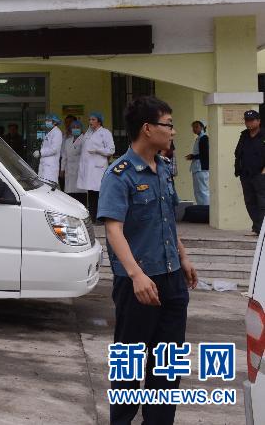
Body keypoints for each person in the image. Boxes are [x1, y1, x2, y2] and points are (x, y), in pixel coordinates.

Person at [99, 96, 197, 425]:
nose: (173, 131)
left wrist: (183, 257)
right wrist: (137, 275)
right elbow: (114, 230)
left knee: (168, 366)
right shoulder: (119, 174)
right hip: (138, 284)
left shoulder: (165, 168)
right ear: (148, 128)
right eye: (168, 124)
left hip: (171, 281)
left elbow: (166, 219)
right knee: (130, 365)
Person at [78, 111, 116, 222]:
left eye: (93, 120)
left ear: (99, 121)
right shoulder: (88, 133)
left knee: (99, 193)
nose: (90, 122)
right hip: (89, 169)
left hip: (98, 168)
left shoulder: (105, 133)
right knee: (91, 193)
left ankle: (101, 218)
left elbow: (111, 150)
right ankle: (93, 217)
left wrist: (98, 150)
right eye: (90, 120)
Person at [235, 110, 265, 234]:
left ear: (258, 121)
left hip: (260, 174)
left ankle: (263, 228)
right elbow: (238, 153)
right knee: (250, 202)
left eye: (252, 120)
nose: (249, 123)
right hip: (246, 175)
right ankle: (257, 227)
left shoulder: (264, 135)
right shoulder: (244, 135)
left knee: (262, 202)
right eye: (247, 120)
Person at [185, 120, 209, 206]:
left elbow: (205, 154)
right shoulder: (199, 138)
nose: (194, 129)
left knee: (203, 190)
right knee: (198, 191)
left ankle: (206, 210)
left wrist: (193, 156)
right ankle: (201, 209)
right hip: (197, 168)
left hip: (201, 168)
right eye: (193, 127)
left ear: (202, 127)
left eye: (196, 127)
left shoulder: (204, 138)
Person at [60, 119, 85, 201]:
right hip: (69, 170)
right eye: (73, 127)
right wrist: (62, 170)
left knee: (80, 194)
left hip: (80, 170)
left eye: (77, 127)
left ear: (81, 129)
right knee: (70, 195)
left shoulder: (84, 140)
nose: (75, 129)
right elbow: (64, 156)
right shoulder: (68, 141)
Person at [34, 114, 62, 183]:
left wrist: (40, 152)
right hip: (45, 165)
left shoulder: (57, 132)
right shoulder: (50, 132)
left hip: (50, 167)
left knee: (49, 187)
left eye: (49, 120)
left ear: (55, 122)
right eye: (46, 120)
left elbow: (54, 149)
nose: (47, 122)